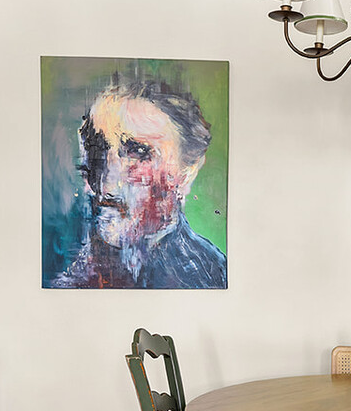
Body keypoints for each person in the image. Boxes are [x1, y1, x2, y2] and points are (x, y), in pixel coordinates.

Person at [51, 74, 227, 289]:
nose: (106, 180)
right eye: (96, 149)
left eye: (138, 152)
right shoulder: (65, 277)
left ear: (186, 172)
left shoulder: (212, 275)